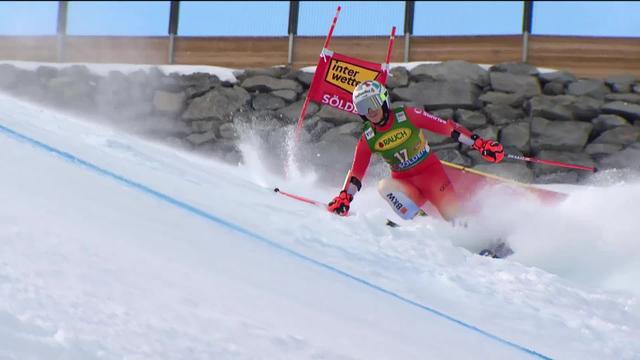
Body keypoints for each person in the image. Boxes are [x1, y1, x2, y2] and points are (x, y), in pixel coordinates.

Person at [327, 80, 504, 221]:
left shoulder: (407, 116)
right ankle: (421, 224)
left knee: (456, 219)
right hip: (406, 184)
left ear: (384, 100)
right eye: (363, 107)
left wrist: (479, 144)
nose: (370, 111)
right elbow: (357, 173)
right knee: (384, 187)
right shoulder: (369, 137)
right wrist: (345, 198)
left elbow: (448, 128)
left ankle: (483, 241)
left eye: (373, 103)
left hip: (432, 176)